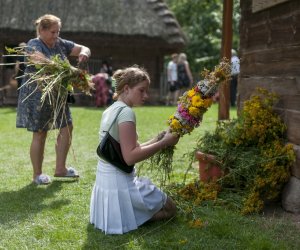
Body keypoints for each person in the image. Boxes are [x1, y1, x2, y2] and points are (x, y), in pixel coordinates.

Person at [90, 66, 179, 234]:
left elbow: (126, 148)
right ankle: (129, 217)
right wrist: (164, 143)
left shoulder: (110, 109)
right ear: (126, 89)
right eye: (141, 91)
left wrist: (156, 139)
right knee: (170, 209)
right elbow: (130, 157)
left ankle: (125, 215)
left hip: (107, 180)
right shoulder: (126, 113)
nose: (146, 96)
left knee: (166, 206)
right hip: (121, 183)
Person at [16, 14, 91, 185]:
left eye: (58, 31)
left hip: (58, 95)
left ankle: (60, 169)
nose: (56, 35)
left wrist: (84, 54)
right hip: (38, 95)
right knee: (40, 132)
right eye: (52, 32)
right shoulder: (33, 44)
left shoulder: (61, 43)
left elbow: (83, 48)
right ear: (41, 30)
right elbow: (45, 63)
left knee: (67, 127)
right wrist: (71, 70)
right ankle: (37, 175)